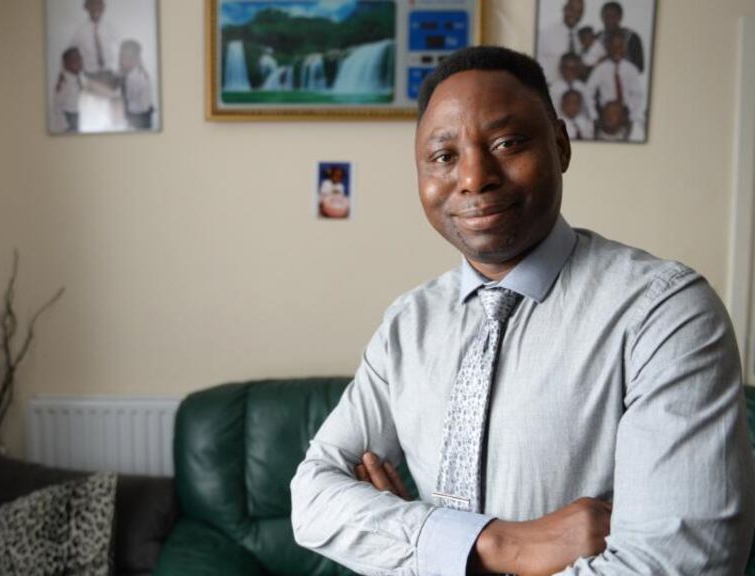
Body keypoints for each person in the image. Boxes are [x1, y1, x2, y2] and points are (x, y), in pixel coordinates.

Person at [291, 45, 755, 575]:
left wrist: (414, 546)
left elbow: (684, 566)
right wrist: (500, 545)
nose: (474, 178)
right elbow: (310, 499)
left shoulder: (665, 314)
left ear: (560, 145)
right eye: (444, 157)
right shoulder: (407, 325)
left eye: (507, 143)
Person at [585, 30, 646, 141]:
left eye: (620, 46)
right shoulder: (600, 69)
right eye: (613, 46)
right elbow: (588, 92)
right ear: (608, 48)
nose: (616, 50)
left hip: (626, 115)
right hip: (605, 116)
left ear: (624, 48)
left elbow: (638, 95)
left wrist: (630, 114)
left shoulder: (631, 69)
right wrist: (594, 116)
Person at [538, 0, 585, 84]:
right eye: (571, 9)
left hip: (574, 93)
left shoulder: (583, 38)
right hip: (550, 88)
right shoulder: (546, 34)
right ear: (564, 9)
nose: (574, 14)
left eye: (578, 12)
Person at [597, 1, 645, 72]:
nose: (609, 20)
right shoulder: (598, 38)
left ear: (620, 17)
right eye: (606, 16)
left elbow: (639, 67)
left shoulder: (632, 38)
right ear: (602, 17)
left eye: (613, 16)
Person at [119, 40, 154, 130]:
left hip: (140, 119)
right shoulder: (129, 75)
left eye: (130, 57)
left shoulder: (137, 77)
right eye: (123, 57)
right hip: (136, 117)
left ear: (137, 58)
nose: (126, 60)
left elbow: (140, 105)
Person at [54, 47, 85, 132]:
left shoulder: (77, 78)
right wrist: (65, 126)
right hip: (68, 118)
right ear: (66, 64)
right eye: (75, 59)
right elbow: (57, 105)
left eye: (80, 58)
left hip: (75, 115)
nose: (79, 62)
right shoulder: (64, 82)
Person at [548, 52, 587, 118]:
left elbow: (586, 110)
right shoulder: (553, 89)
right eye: (567, 68)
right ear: (561, 69)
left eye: (574, 68)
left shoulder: (583, 88)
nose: (570, 71)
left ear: (578, 70)